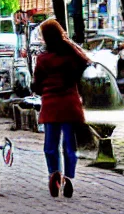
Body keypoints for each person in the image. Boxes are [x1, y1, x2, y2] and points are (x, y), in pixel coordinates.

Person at [31, 19, 91, 199]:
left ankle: (54, 173)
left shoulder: (43, 59)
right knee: (69, 145)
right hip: (70, 103)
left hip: (51, 104)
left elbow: (37, 84)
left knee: (50, 145)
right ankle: (69, 177)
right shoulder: (72, 54)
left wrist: (40, 88)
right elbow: (85, 65)